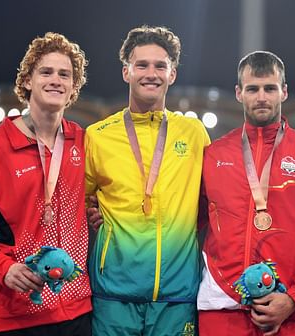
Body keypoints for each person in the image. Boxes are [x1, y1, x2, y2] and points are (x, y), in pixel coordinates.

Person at [0, 32, 92, 335]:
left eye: (64, 74)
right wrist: (4, 268)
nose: (56, 80)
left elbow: (99, 196)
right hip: (16, 315)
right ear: (27, 81)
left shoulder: (82, 142)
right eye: (46, 72)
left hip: (78, 311)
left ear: (72, 88)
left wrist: (98, 211)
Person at [197, 51, 295, 335]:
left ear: (284, 92)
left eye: (270, 88)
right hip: (220, 307)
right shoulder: (213, 156)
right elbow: (183, 219)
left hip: (286, 310)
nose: (261, 97)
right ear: (239, 93)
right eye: (252, 89)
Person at [85, 25, 210, 335]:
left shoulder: (194, 134)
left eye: (160, 66)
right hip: (113, 296)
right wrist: (90, 214)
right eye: (141, 65)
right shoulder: (98, 136)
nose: (150, 73)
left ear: (172, 74)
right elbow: (75, 201)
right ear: (126, 71)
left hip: (177, 297)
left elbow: (215, 198)